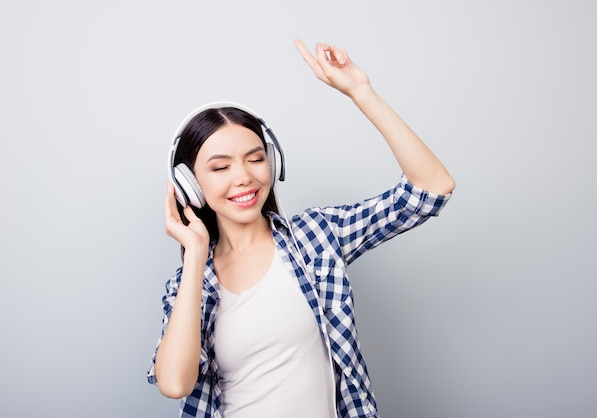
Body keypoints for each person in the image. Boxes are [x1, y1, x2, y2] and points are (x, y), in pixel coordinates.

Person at [147, 39, 455, 418]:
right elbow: (174, 384)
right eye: (220, 167)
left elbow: (431, 189)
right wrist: (195, 257)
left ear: (273, 163)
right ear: (189, 185)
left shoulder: (317, 237)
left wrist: (361, 92)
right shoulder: (188, 284)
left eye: (255, 159)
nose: (243, 177)